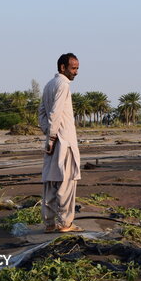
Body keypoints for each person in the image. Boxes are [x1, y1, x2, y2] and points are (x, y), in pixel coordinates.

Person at [38, 53, 83, 233]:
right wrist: (52, 137)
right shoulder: (63, 84)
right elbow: (54, 112)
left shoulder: (49, 84)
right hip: (64, 142)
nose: (76, 72)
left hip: (54, 140)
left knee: (50, 182)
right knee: (66, 183)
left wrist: (48, 134)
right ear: (63, 68)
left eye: (77, 68)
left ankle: (49, 224)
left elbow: (42, 113)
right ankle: (65, 224)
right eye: (73, 68)